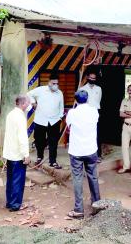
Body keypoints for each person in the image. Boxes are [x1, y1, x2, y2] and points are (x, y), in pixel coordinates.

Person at [66, 90, 101, 219]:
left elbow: (68, 127)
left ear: (75, 100)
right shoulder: (94, 111)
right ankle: (97, 205)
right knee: (93, 177)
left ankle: (78, 210)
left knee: (77, 179)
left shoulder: (72, 113)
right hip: (91, 150)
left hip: (76, 151)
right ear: (87, 99)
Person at [27, 72, 64, 169]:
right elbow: (28, 94)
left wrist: (60, 117)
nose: (55, 85)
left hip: (54, 121)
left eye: (57, 84)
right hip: (40, 120)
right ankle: (40, 157)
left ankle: (53, 161)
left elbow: (61, 107)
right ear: (49, 82)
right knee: (39, 141)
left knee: (53, 142)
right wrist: (33, 103)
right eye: (53, 83)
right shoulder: (41, 90)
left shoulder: (59, 93)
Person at [3, 95, 31, 212]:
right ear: (23, 104)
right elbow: (22, 137)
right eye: (28, 103)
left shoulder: (11, 114)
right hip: (18, 154)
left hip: (10, 153)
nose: (29, 105)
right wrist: (26, 154)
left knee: (10, 179)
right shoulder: (20, 117)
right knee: (18, 181)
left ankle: (9, 202)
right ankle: (15, 204)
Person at [79, 71, 103, 161]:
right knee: (86, 134)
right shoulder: (82, 89)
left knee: (97, 134)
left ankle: (98, 155)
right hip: (85, 114)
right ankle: (86, 154)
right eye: (91, 78)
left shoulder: (99, 89)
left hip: (96, 113)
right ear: (88, 78)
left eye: (94, 78)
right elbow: (80, 103)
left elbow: (98, 101)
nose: (92, 80)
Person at [117, 84, 131, 174]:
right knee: (124, 147)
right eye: (130, 90)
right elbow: (121, 114)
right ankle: (126, 166)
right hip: (125, 126)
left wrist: (127, 112)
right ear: (127, 91)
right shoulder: (124, 101)